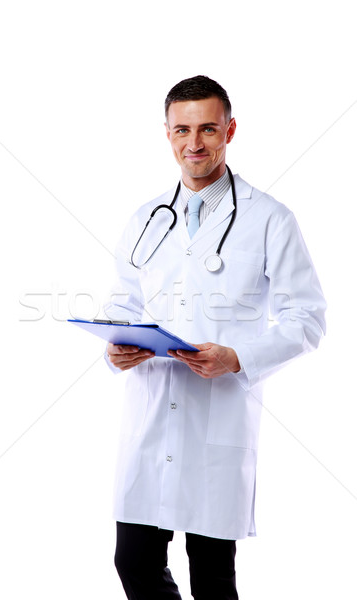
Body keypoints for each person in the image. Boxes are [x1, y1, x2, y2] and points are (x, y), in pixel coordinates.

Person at [104, 75, 326, 600]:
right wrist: (117, 346)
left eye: (208, 128)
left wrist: (238, 357)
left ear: (230, 130)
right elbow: (122, 303)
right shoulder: (145, 219)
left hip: (218, 417)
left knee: (212, 575)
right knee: (132, 560)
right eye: (182, 130)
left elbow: (307, 318)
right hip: (153, 412)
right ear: (167, 134)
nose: (195, 143)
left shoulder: (270, 218)